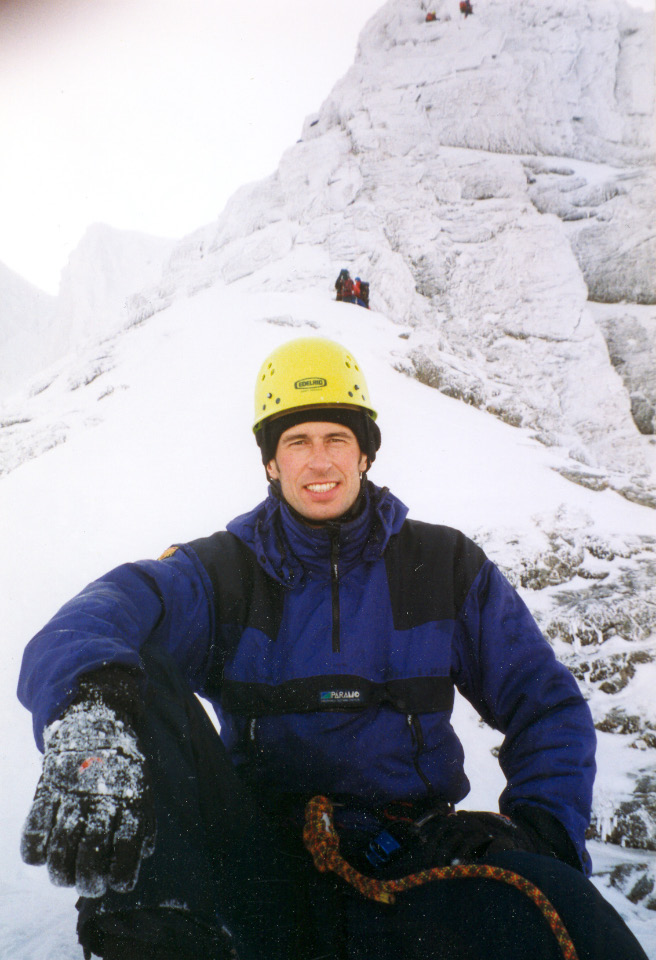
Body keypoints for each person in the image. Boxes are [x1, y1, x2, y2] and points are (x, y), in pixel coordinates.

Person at [18, 336, 648, 960]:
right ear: (271, 462)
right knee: (122, 672)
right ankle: (164, 939)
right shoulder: (222, 572)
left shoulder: (444, 565)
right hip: (255, 864)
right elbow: (94, 619)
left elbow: (547, 704)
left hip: (411, 856)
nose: (319, 462)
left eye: (336, 439)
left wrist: (539, 832)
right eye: (297, 442)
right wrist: (88, 719)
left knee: (567, 914)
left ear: (365, 454)